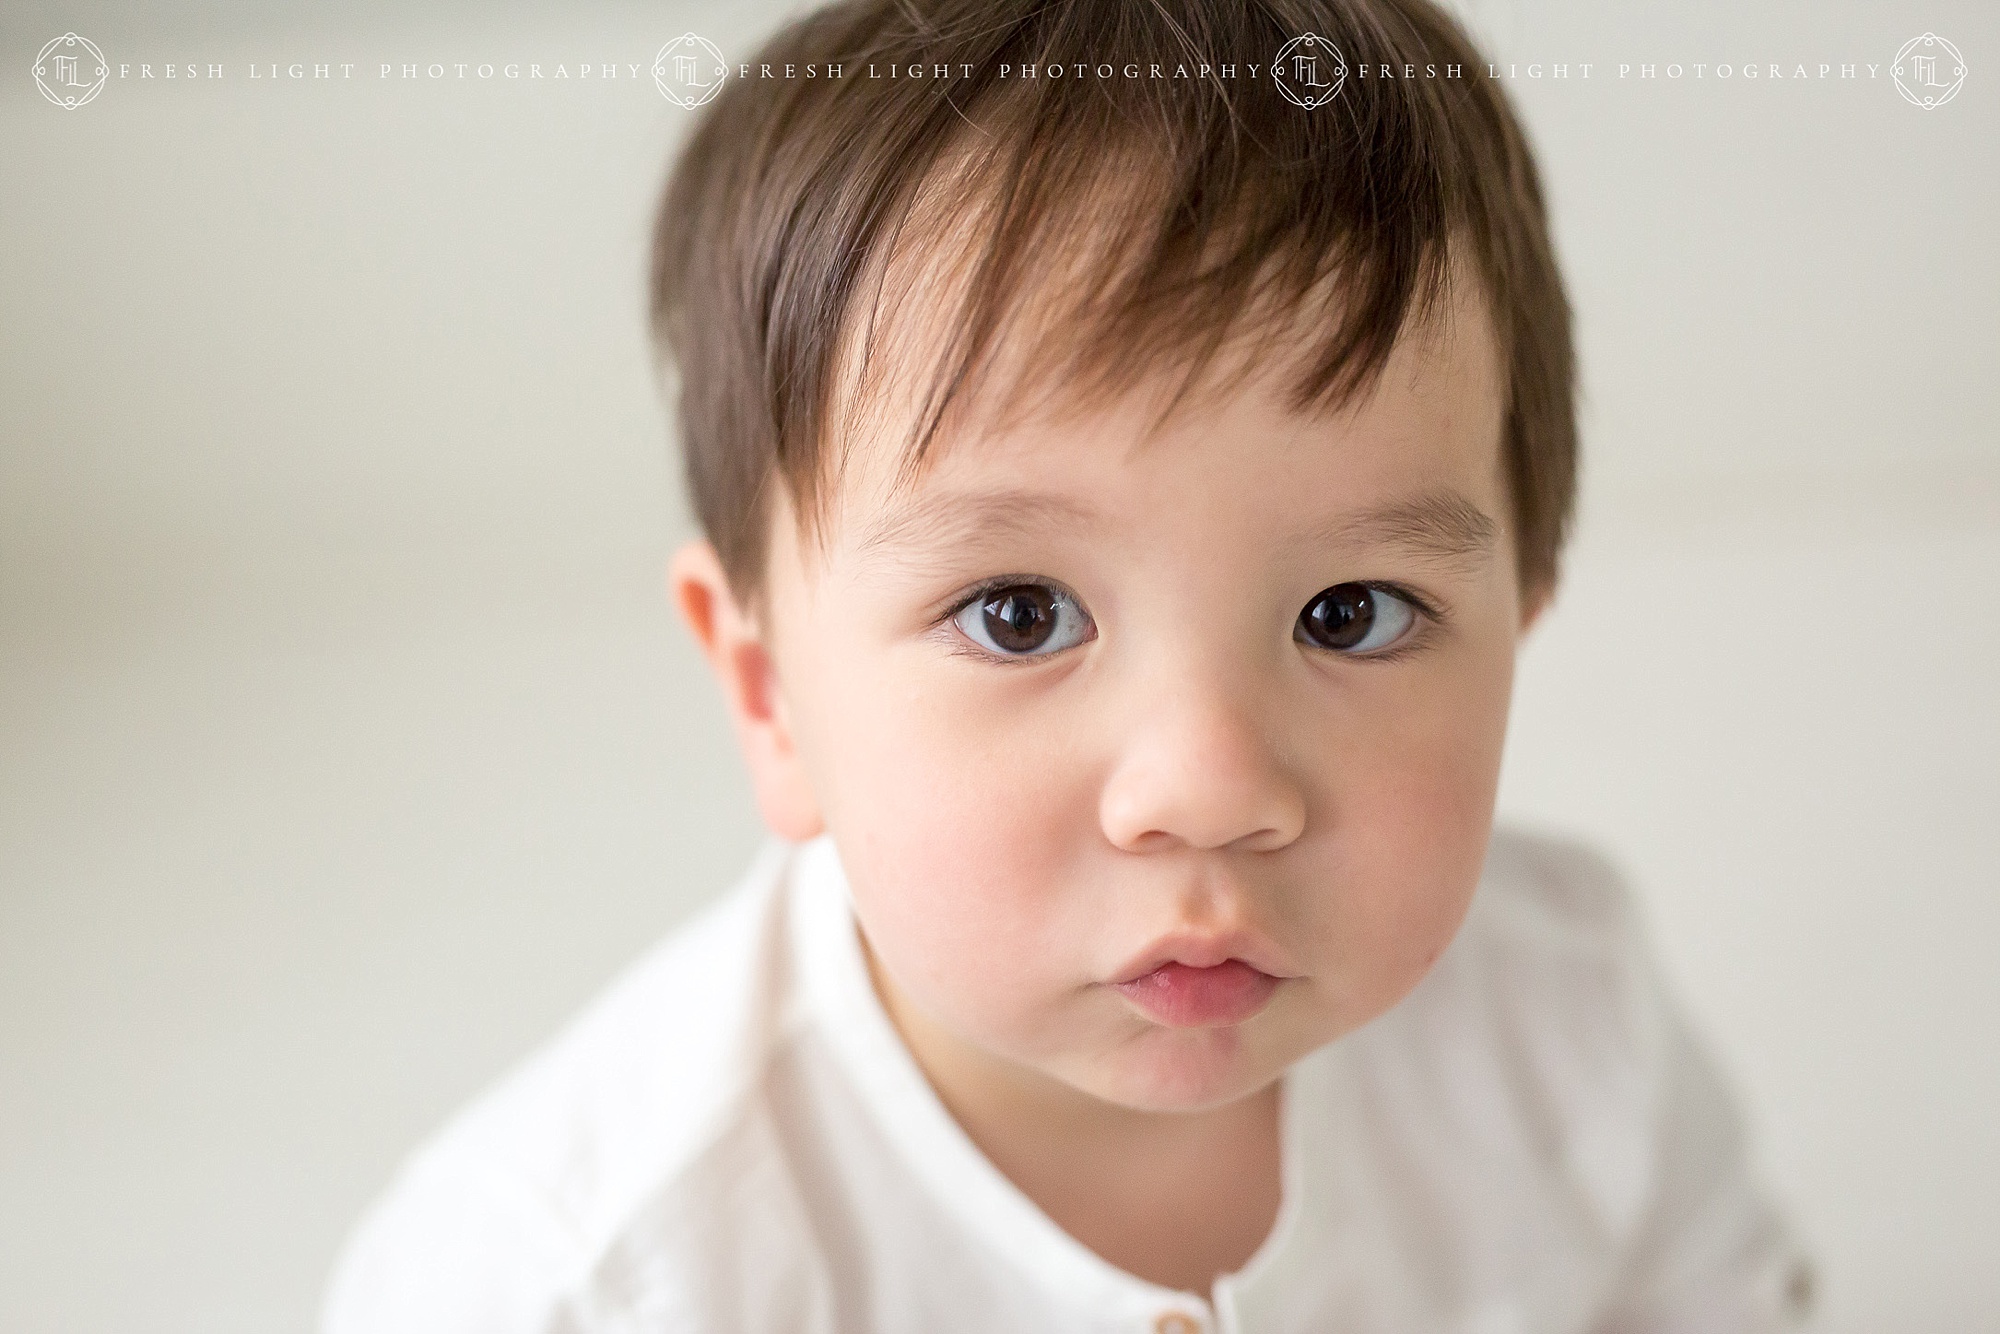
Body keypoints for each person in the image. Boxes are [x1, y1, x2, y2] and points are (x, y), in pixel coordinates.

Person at [322, 0, 1814, 1329]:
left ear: (1521, 627)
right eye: (1020, 612)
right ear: (771, 691)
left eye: (1351, 609)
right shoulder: (574, 1279)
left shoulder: (1566, 1024)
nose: (1211, 789)